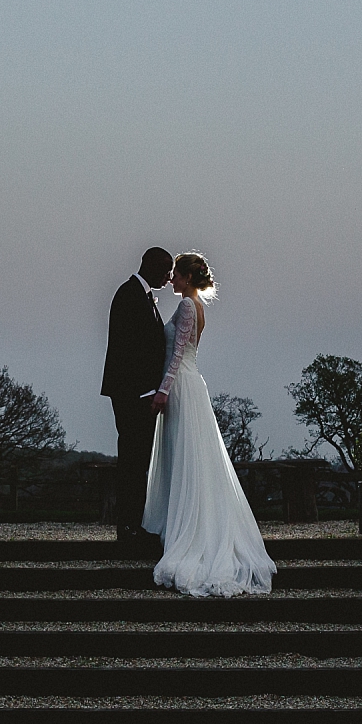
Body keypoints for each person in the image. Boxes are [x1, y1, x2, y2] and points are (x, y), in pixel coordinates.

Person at [142, 252, 276, 596]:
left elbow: (177, 354)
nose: (171, 279)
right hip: (187, 383)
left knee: (189, 459)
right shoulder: (191, 304)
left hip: (182, 386)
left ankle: (191, 532)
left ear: (187, 277)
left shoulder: (188, 306)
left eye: (176, 274)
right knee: (188, 458)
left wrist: (163, 390)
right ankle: (182, 521)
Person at [100, 247, 173, 546]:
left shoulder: (140, 296)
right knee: (132, 460)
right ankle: (127, 527)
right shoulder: (129, 295)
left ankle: (133, 524)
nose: (169, 278)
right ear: (152, 267)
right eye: (166, 270)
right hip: (132, 395)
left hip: (136, 393)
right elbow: (129, 349)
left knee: (137, 459)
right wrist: (146, 391)